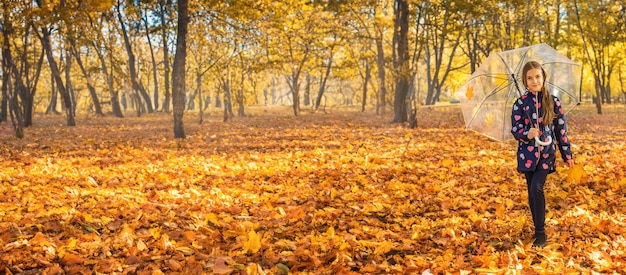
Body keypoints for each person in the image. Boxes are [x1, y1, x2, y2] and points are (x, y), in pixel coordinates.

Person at [510, 61, 575, 247]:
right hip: (527, 155)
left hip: (546, 153)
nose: (534, 81)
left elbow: (560, 131)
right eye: (529, 78)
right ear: (524, 80)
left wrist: (567, 154)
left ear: (543, 77)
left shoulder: (553, 102)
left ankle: (540, 232)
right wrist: (526, 133)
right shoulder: (520, 104)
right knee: (531, 192)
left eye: (537, 76)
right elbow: (515, 129)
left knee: (537, 188)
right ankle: (536, 224)